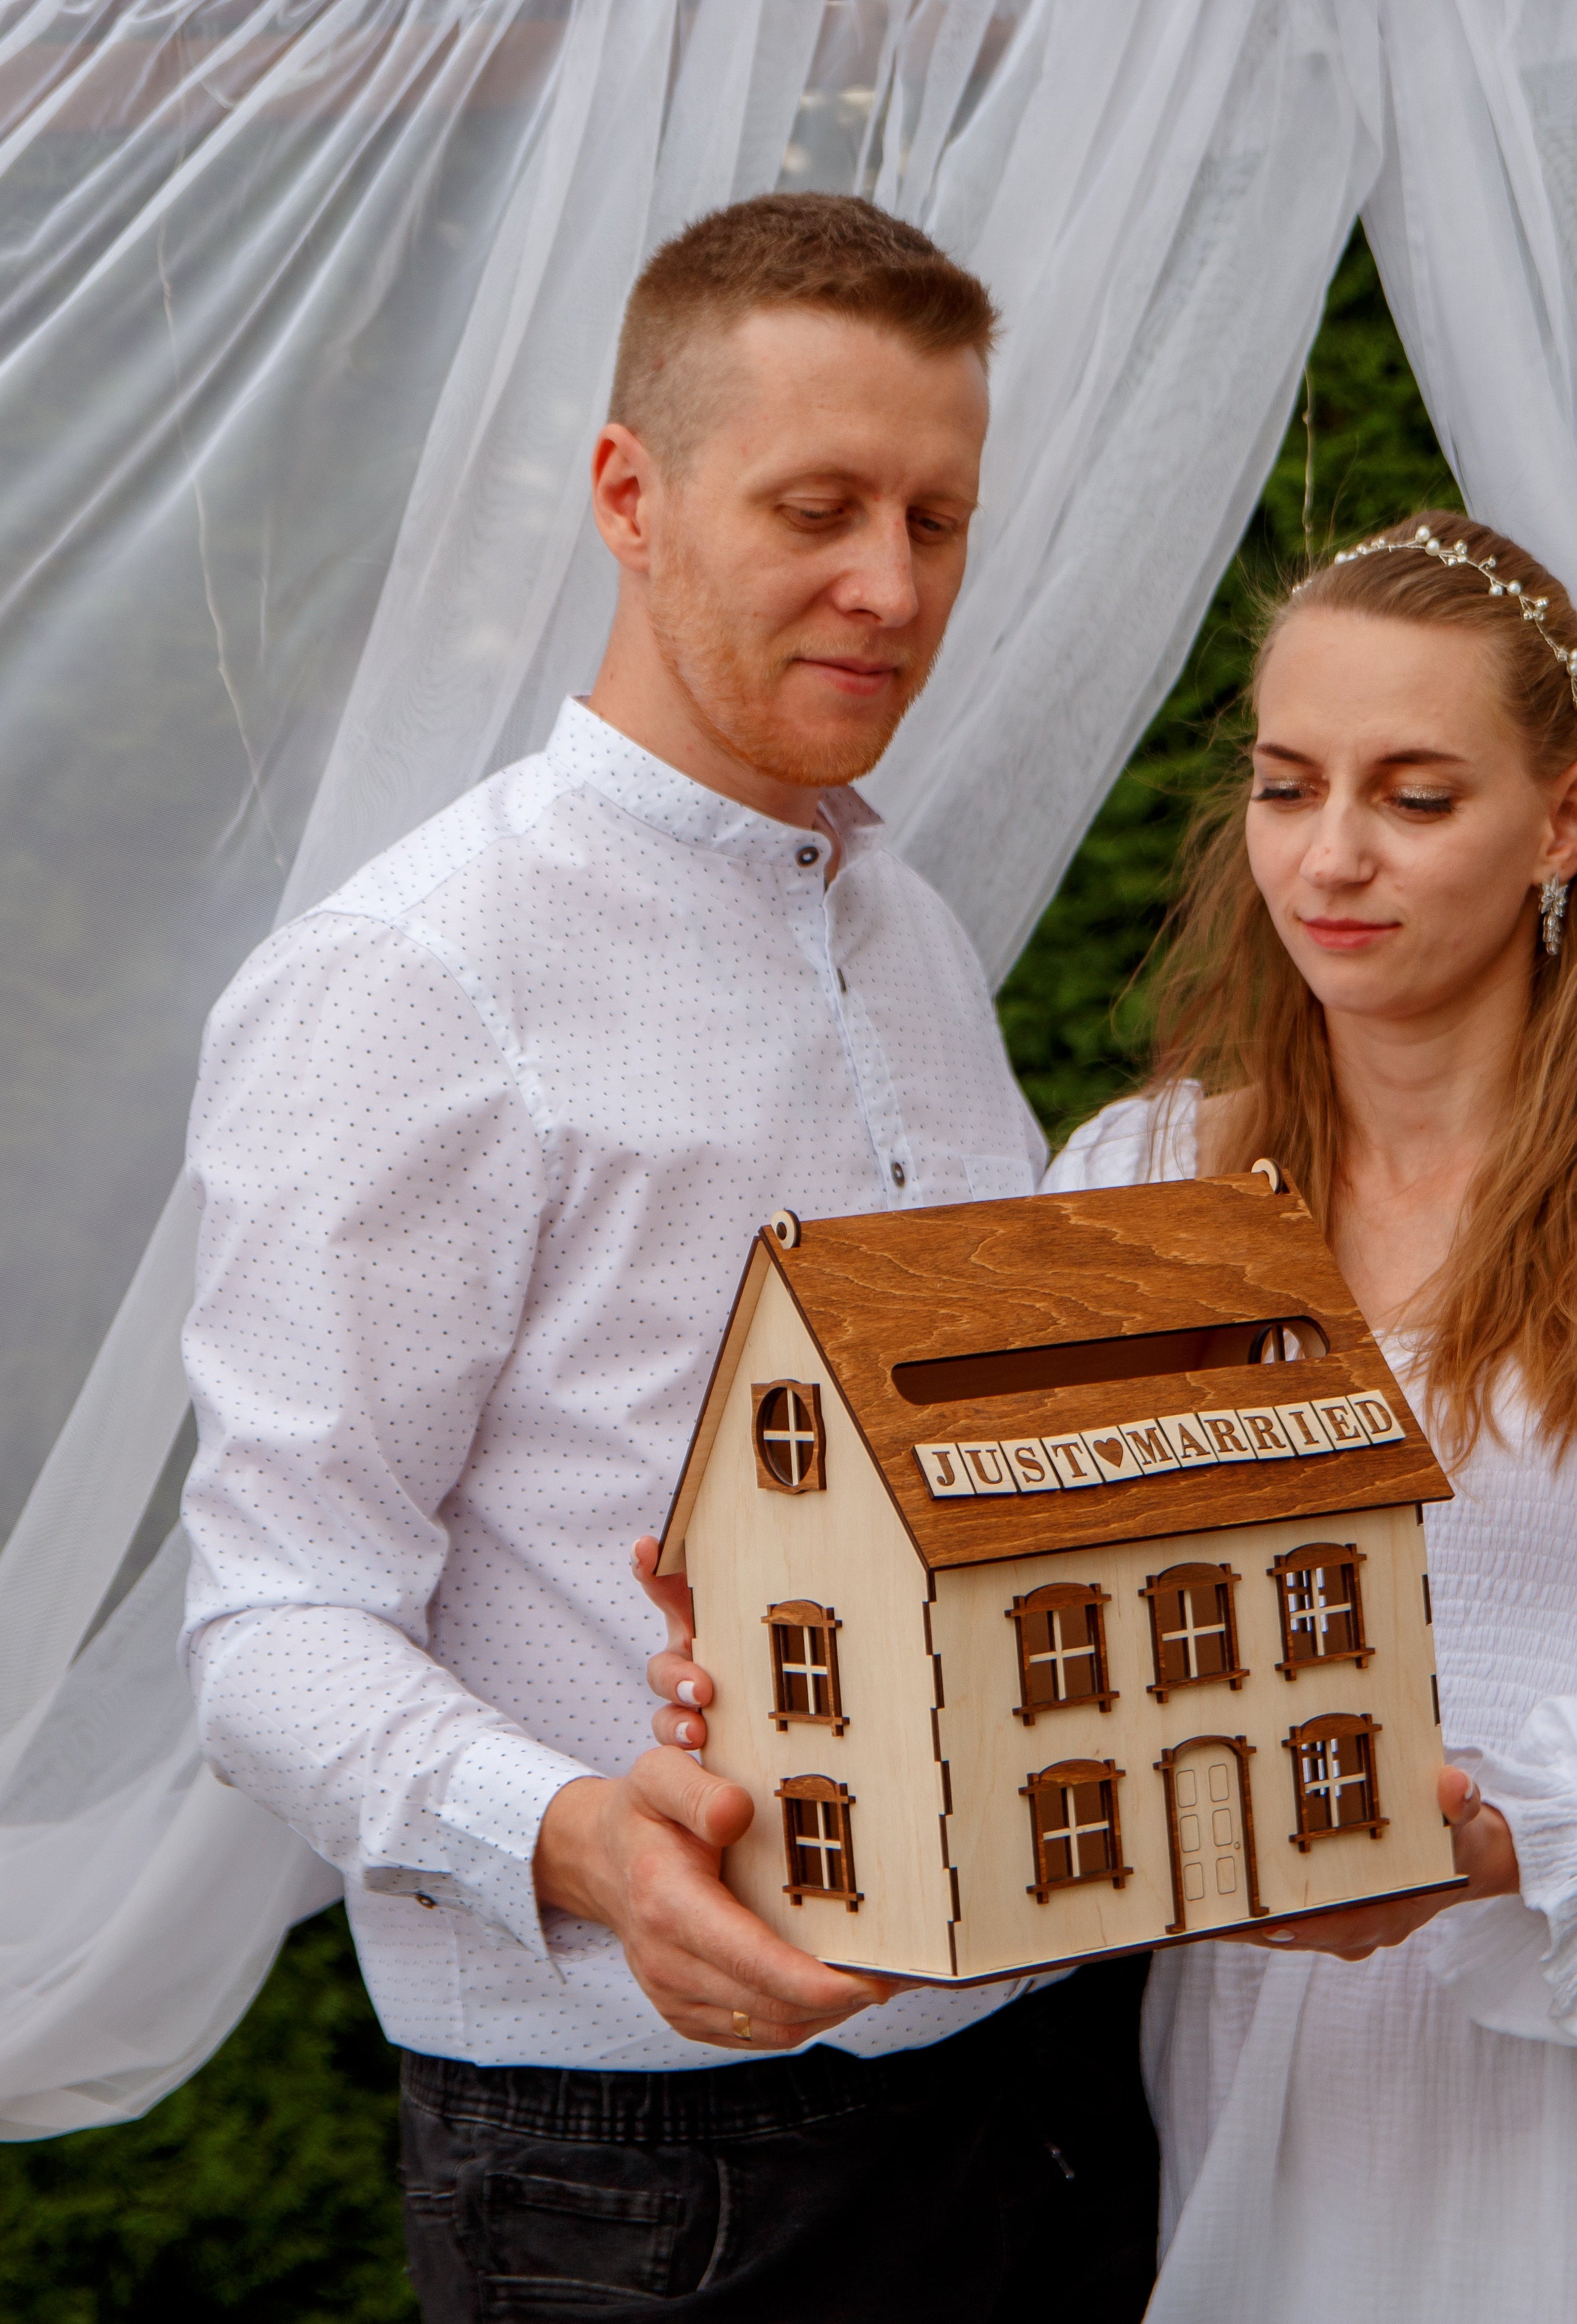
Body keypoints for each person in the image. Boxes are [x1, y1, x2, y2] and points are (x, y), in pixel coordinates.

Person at [179, 194, 1155, 2323]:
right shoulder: (412, 980)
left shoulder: (911, 935)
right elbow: (271, 1619)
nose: (890, 585)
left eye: (936, 519)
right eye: (817, 507)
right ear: (627, 496)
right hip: (649, 2169)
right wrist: (577, 1837)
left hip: (1042, 2088)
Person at [1038, 515, 1577, 2319]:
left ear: (1565, 819)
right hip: (1279, 2083)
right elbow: (1052, 1654)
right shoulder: (1141, 1184)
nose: (1329, 855)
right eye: (1285, 786)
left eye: (1413, 796)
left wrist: (1483, 1842)